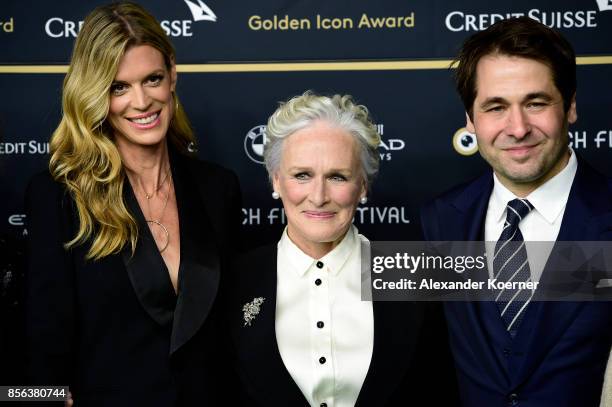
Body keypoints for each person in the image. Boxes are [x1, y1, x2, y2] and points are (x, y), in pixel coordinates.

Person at [24, 2, 241, 405]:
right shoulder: (58, 196)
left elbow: (238, 324)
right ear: (94, 94)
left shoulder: (218, 188)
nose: (141, 102)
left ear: (172, 74)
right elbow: (41, 336)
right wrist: (35, 397)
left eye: (152, 79)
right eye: (119, 87)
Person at [420, 17, 612, 406]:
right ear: (471, 120)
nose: (518, 127)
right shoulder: (441, 220)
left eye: (536, 103)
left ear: (571, 107)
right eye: (495, 107)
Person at [226, 92, 458, 406]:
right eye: (302, 175)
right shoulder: (232, 281)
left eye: (337, 176)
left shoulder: (415, 273)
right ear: (276, 180)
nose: (319, 196)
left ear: (363, 185)